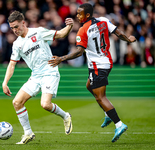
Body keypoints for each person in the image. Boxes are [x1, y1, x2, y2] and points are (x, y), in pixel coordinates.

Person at [48, 3, 136, 143]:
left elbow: (79, 52)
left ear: (87, 15)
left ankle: (119, 124)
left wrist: (61, 59)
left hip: (98, 66)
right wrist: (128, 39)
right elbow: (118, 32)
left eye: (79, 14)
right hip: (107, 61)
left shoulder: (83, 30)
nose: (77, 16)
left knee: (101, 97)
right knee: (89, 86)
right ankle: (108, 113)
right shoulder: (104, 20)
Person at [2, 11, 73, 145]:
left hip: (50, 71)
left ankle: (66, 116)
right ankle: (28, 133)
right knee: (17, 102)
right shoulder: (17, 44)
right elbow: (12, 64)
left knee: (45, 104)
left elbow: (61, 34)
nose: (14, 30)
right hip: (35, 76)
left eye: (16, 26)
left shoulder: (38, 32)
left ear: (23, 23)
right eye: (12, 28)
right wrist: (5, 82)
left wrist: (69, 26)